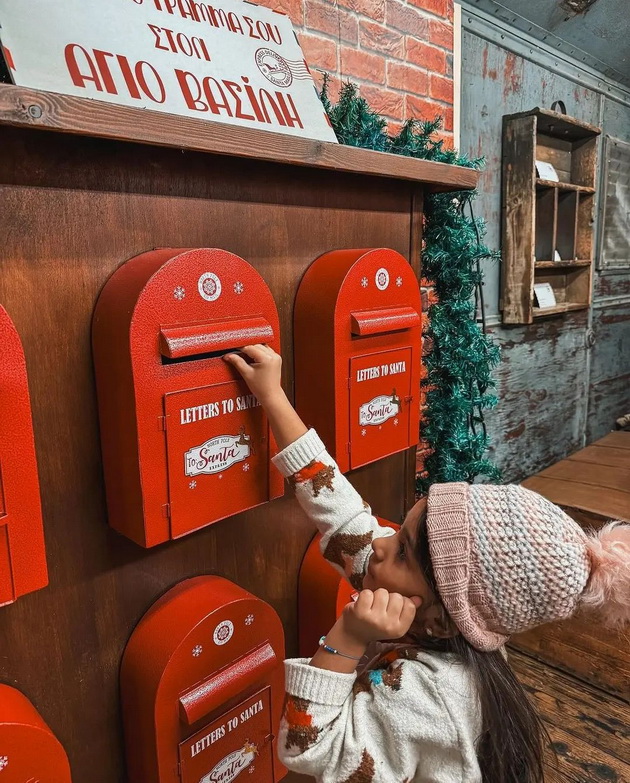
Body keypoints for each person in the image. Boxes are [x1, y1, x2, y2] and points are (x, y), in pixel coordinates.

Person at [224, 345, 630, 783]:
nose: (380, 544)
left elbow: (310, 749)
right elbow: (344, 515)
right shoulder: (441, 609)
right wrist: (272, 396)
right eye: (398, 533)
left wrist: (347, 638)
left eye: (401, 550)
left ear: (438, 621)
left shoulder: (431, 697)